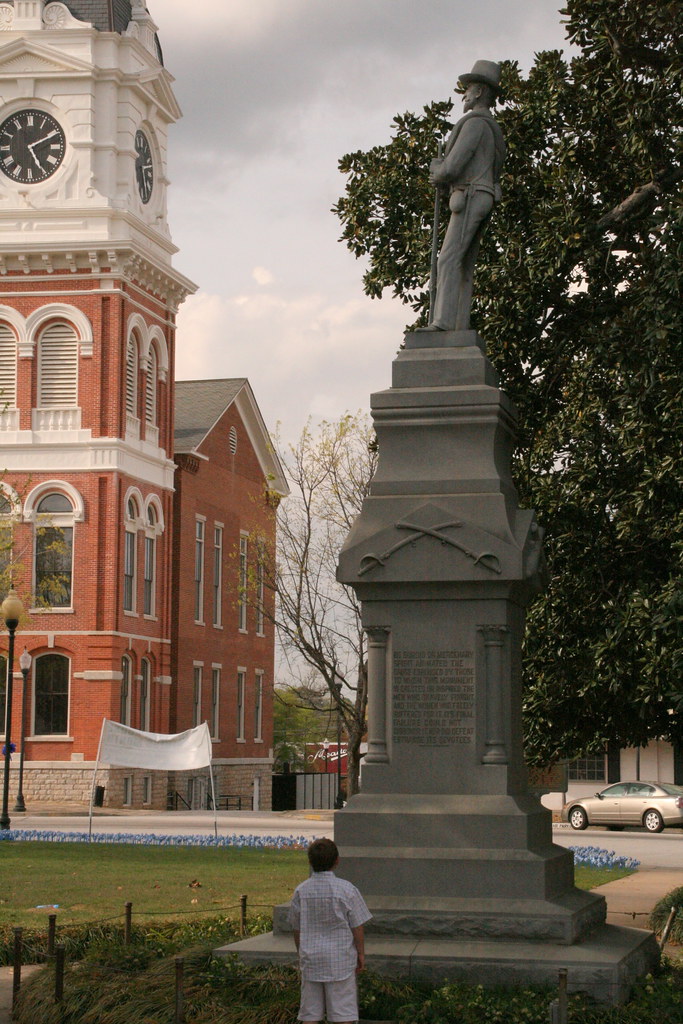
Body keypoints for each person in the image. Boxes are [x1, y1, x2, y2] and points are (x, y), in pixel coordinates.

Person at [424, 60, 506, 332]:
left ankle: (444, 323)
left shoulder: (475, 125)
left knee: (448, 259)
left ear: (480, 92)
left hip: (471, 195)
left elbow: (454, 166)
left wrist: (438, 171)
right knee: (462, 263)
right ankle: (458, 324)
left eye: (469, 89)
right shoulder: (491, 127)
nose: (465, 95)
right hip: (481, 196)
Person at [289, 837, 372, 1024]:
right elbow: (357, 925)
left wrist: (300, 952)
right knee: (343, 1014)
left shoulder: (301, 891)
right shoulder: (347, 889)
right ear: (337, 861)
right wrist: (361, 953)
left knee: (310, 1014)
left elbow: (297, 927)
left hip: (311, 957)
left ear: (310, 862)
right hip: (340, 958)